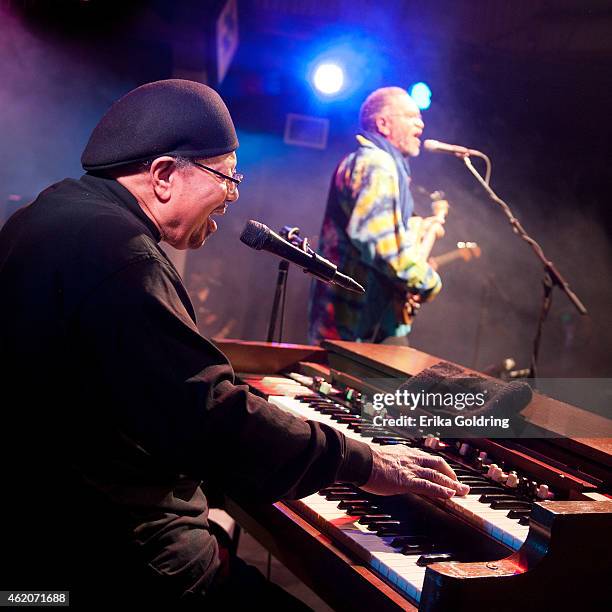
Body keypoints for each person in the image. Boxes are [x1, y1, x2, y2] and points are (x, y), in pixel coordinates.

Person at [0, 80, 467, 609]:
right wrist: (362, 462)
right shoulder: (125, 258)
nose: (234, 194)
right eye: (227, 175)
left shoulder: (43, 218)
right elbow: (211, 415)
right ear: (162, 175)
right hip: (119, 565)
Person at [309, 86, 444, 345]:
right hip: (353, 328)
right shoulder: (377, 164)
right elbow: (382, 245)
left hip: (368, 325)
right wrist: (427, 281)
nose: (421, 124)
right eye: (411, 116)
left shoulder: (383, 166)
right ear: (383, 123)